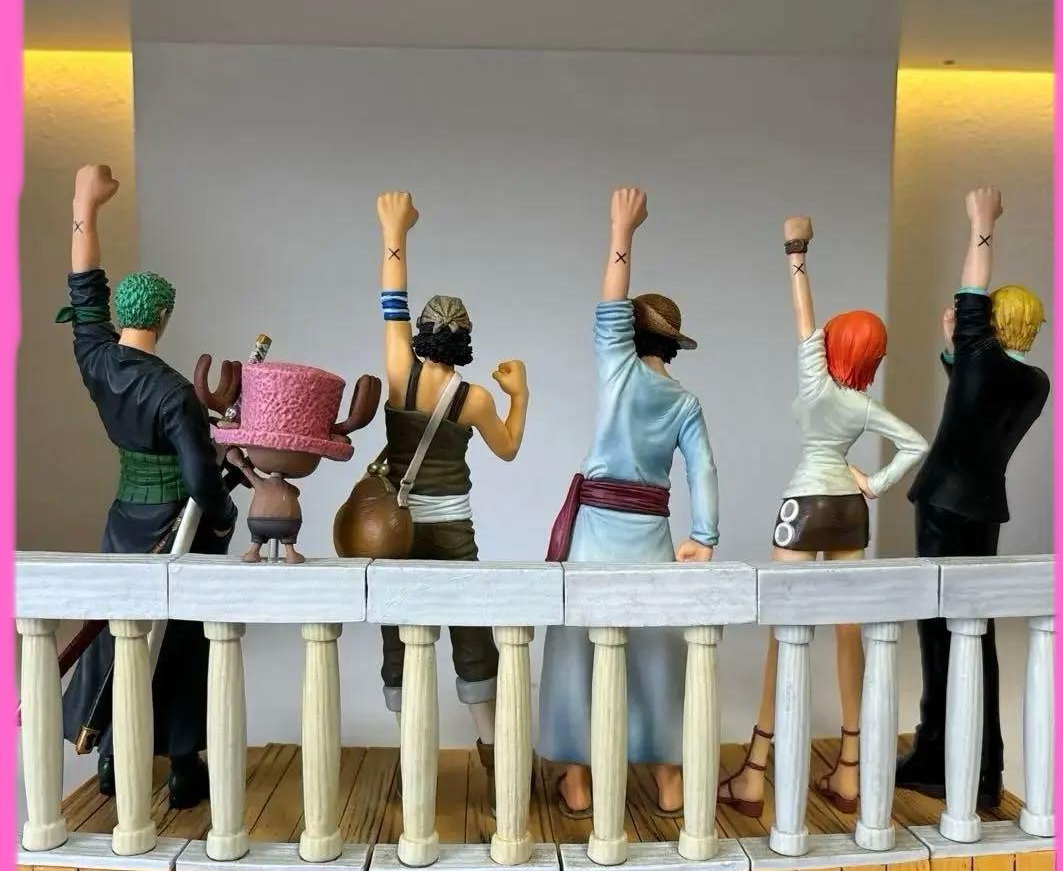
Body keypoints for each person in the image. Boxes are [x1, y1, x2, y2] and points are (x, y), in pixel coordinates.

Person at [718, 215, 928, 816]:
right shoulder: (862, 405)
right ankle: (850, 770)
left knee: (784, 630)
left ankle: (755, 771)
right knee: (847, 632)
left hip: (804, 505)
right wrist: (874, 483)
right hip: (848, 511)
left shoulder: (816, 385)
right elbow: (916, 443)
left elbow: (802, 312)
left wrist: (797, 250)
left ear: (835, 348)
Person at [58, 164, 238, 809]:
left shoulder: (95, 357)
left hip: (123, 519)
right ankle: (182, 765)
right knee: (179, 640)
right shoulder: (173, 392)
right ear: (163, 316)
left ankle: (113, 757)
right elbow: (198, 477)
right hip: (173, 525)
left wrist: (84, 205)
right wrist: (222, 517)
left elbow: (84, 286)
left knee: (120, 633)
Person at [538, 186, 719, 818]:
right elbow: (703, 468)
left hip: (595, 535)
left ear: (630, 335)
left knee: (578, 646)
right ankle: (669, 778)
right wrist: (705, 535)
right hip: (650, 538)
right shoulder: (685, 402)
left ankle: (578, 778)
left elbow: (609, 303)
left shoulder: (618, 370)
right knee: (655, 651)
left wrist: (622, 230)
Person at [376, 190, 529, 811]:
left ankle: (410, 764)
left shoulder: (398, 371)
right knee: (470, 636)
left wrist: (394, 230)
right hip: (453, 532)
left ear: (422, 335)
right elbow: (509, 449)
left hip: (397, 531)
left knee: (400, 638)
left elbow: (391, 301)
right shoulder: (477, 399)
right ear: (465, 341)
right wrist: (521, 395)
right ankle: (495, 762)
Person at [898, 186, 1049, 808]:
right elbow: (973, 410)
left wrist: (982, 221)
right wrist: (956, 351)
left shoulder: (982, 361)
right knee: (975, 635)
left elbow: (971, 292)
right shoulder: (1034, 381)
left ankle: (937, 752)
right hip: (985, 510)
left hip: (943, 505)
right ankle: (985, 767)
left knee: (938, 633)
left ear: (989, 323)